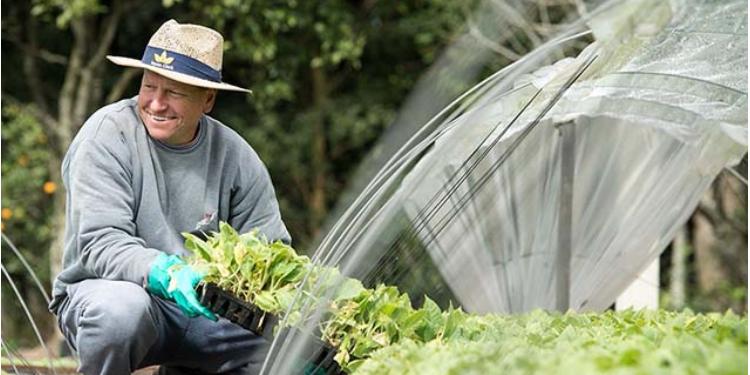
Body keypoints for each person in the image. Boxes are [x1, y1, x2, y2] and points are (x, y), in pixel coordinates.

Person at [48, 19, 291, 375]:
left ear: (208, 99)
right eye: (150, 86)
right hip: (110, 294)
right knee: (121, 312)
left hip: (204, 312)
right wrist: (165, 271)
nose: (156, 104)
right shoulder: (107, 134)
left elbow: (270, 252)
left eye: (174, 93)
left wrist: (301, 339)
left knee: (288, 347)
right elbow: (100, 244)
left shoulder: (236, 157)